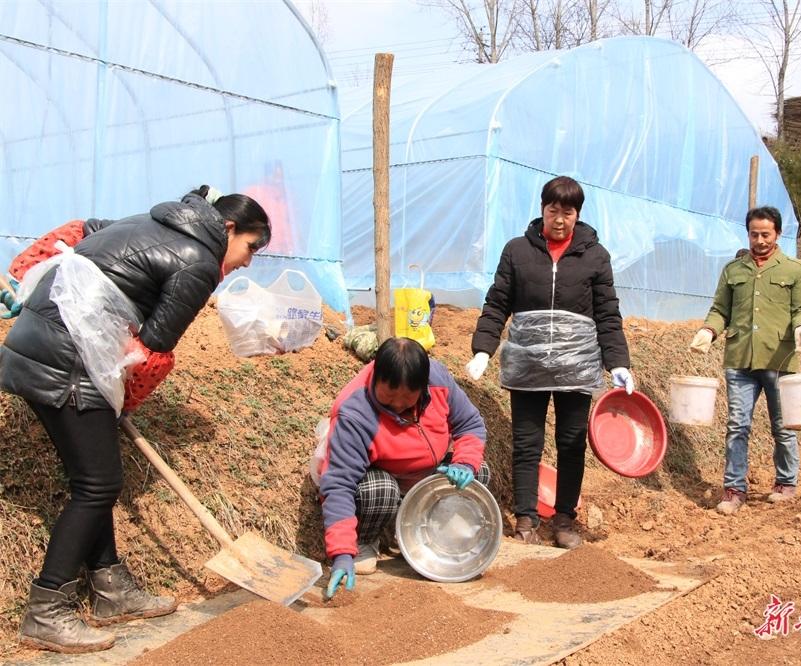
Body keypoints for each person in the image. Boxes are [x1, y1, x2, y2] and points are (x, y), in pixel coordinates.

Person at [0, 185, 270, 653]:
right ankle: (46, 611)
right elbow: (151, 351)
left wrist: (22, 278)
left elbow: (78, 231)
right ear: (228, 228)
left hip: (41, 342)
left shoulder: (149, 221)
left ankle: (110, 589)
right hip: (68, 359)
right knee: (99, 485)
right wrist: (127, 400)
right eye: (250, 247)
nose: (248, 261)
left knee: (93, 476)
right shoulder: (198, 262)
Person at [466, 175, 632, 549]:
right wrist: (483, 349)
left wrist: (618, 361)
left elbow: (607, 312)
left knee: (572, 442)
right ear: (542, 209)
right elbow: (497, 303)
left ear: (578, 215)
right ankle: (526, 516)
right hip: (528, 364)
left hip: (577, 364)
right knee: (527, 442)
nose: (559, 219)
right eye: (552, 210)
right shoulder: (517, 252)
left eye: (567, 212)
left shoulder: (594, 255)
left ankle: (564, 519)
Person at [318, 337, 489, 600]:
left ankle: (429, 533)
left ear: (424, 387)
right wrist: (341, 553)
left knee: (479, 472)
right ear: (376, 378)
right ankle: (368, 540)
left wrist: (464, 463)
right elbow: (339, 485)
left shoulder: (438, 380)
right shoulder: (354, 413)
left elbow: (470, 425)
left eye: (408, 400)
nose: (398, 406)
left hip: (426, 476)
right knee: (380, 489)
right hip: (385, 481)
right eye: (388, 399)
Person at [689, 206, 801, 516]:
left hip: (780, 359)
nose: (759, 240)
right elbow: (721, 309)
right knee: (737, 426)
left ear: (777, 234)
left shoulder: (795, 270)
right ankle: (733, 490)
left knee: (783, 427)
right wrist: (709, 331)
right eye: (754, 234)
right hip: (740, 360)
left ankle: (785, 483)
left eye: (765, 234)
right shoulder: (734, 271)